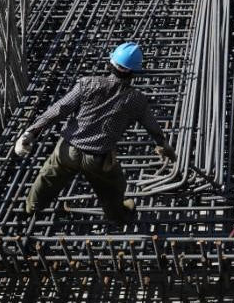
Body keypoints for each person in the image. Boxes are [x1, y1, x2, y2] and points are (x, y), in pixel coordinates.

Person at [14, 42, 175, 226]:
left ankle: (33, 207)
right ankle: (118, 217)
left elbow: (59, 109)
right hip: (98, 158)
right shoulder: (136, 99)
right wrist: (163, 145)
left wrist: (31, 132)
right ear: (134, 73)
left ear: (110, 63)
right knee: (113, 187)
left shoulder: (87, 84)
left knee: (48, 177)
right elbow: (152, 126)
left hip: (68, 149)